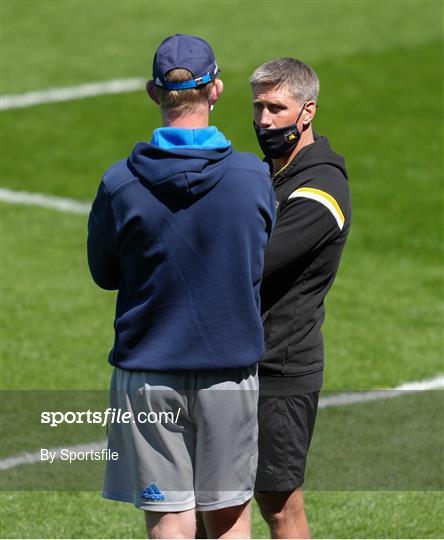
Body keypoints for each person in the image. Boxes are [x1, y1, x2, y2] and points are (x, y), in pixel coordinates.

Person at [87, 34, 275, 539]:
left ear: (154, 93)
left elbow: (104, 273)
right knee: (230, 516)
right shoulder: (253, 178)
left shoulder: (119, 183)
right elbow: (259, 258)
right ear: (214, 90)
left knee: (169, 518)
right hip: (230, 373)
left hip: (149, 372)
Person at [250, 58, 351, 538]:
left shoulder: (320, 190)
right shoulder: (270, 174)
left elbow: (255, 265)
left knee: (279, 506)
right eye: (258, 108)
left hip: (280, 372)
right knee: (211, 496)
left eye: (276, 107)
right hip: (240, 361)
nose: (264, 120)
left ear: (307, 111)